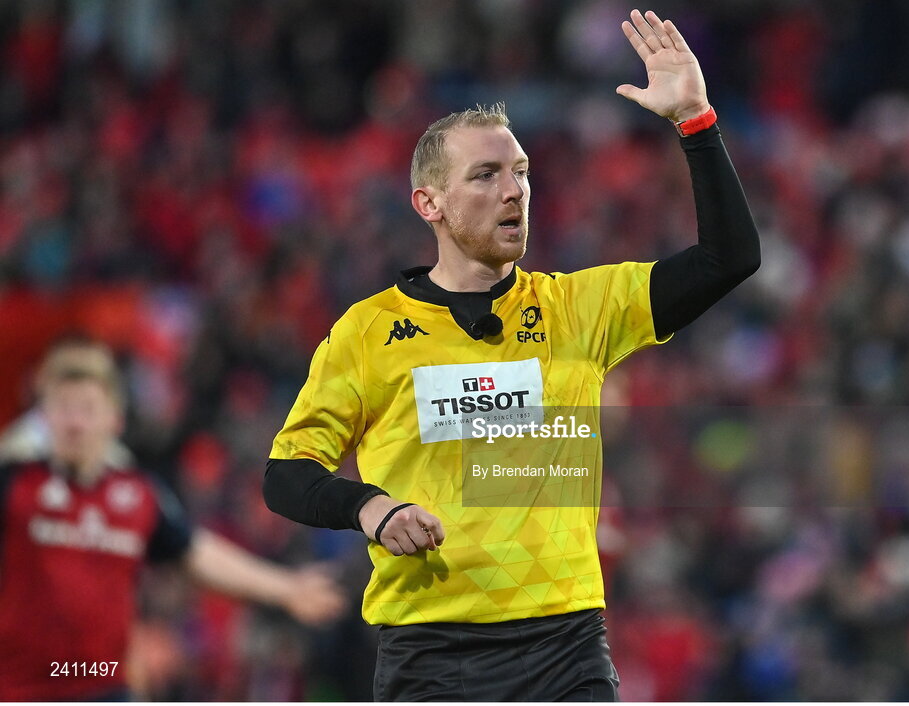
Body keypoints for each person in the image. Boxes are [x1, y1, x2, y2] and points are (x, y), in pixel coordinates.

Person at [264, 8, 760, 701]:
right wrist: (372, 509)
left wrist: (697, 122)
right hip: (434, 652)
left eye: (521, 172)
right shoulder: (367, 332)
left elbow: (728, 258)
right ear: (428, 203)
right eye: (487, 174)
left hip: (567, 646)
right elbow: (286, 474)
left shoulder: (578, 308)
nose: (514, 190)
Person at [0, 338, 347, 701]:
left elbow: (194, 554)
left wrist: (287, 588)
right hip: (19, 691)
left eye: (87, 409)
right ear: (44, 416)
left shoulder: (137, 495)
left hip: (104, 689)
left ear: (114, 419)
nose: (74, 423)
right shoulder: (14, 485)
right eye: (63, 408)